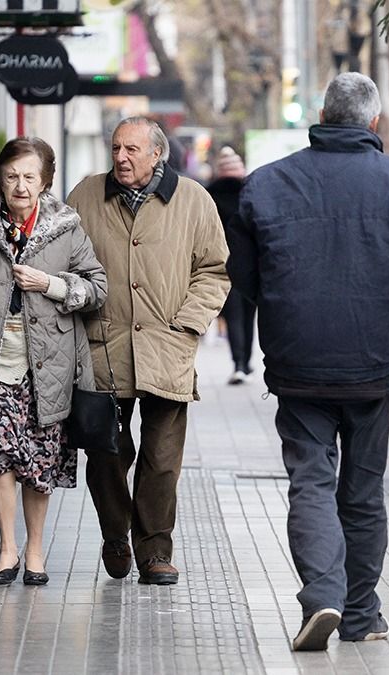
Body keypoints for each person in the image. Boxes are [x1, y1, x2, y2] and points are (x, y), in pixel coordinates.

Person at [227, 72, 389, 651]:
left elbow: (245, 278)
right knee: (362, 491)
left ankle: (322, 595)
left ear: (323, 115)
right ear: (374, 123)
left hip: (297, 361)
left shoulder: (266, 186)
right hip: (375, 365)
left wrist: (282, 312)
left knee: (309, 481)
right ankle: (359, 613)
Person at [0, 136, 108, 587]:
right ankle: (7, 548)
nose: (21, 185)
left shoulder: (65, 227)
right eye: (12, 176)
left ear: (45, 181)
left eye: (30, 177)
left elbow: (96, 288)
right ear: (0, 179)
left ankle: (35, 550)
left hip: (47, 364)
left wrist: (50, 284)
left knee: (38, 461)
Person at [66, 117, 230, 586]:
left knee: (161, 458)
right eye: (116, 147)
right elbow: (62, 258)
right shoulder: (86, 196)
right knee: (107, 454)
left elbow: (214, 271)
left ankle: (155, 550)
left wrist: (188, 325)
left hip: (167, 348)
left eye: (132, 149)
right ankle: (115, 535)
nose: (121, 156)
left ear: (157, 153)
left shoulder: (194, 200)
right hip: (104, 348)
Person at [207, 147, 258, 384]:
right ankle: (246, 363)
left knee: (233, 315)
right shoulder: (251, 193)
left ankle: (238, 363)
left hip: (224, 264)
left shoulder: (210, 196)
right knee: (249, 315)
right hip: (251, 263)